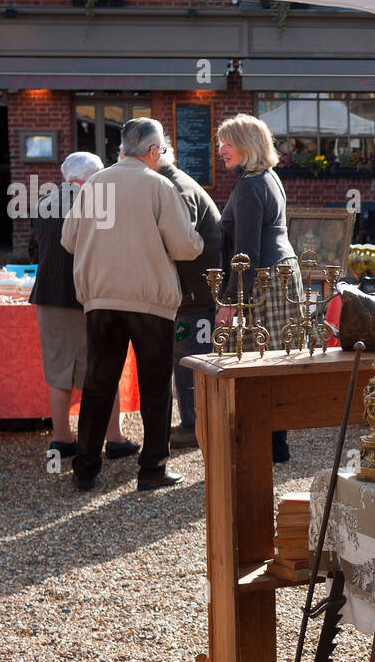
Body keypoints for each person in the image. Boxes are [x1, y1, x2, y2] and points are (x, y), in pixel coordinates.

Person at [61, 118, 204, 491]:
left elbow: (68, 239)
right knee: (156, 385)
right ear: (153, 152)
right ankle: (152, 469)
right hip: (149, 301)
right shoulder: (159, 185)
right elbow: (185, 247)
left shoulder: (95, 183)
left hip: (101, 298)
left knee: (98, 383)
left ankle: (86, 468)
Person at [27, 151, 136, 464]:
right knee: (104, 369)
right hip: (94, 297)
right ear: (94, 177)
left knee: (59, 372)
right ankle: (113, 438)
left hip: (50, 297)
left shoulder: (43, 205)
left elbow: (34, 252)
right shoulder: (101, 206)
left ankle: (61, 438)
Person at [215, 113, 304, 464]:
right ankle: (275, 445)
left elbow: (245, 254)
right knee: (275, 359)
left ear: (248, 146)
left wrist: (229, 301)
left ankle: (268, 447)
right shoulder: (269, 178)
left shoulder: (250, 186)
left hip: (264, 277)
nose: (221, 150)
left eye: (228, 143)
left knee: (259, 360)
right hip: (281, 272)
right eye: (220, 142)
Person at [153, 146, 222, 448]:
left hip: (196, 292)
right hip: (195, 289)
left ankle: (193, 425)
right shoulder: (173, 182)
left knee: (188, 358)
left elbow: (182, 239)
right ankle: (195, 422)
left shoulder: (175, 187)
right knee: (189, 356)